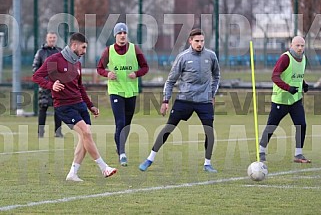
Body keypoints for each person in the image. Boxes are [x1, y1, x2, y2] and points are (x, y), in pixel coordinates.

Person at [32, 32, 117, 181]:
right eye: (83, 48)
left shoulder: (77, 62)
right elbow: (36, 76)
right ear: (74, 45)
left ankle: (72, 173)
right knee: (86, 133)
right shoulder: (55, 60)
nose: (85, 51)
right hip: (64, 106)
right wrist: (51, 85)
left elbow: (80, 87)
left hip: (80, 105)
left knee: (84, 138)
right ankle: (104, 168)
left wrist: (90, 105)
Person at [139, 28, 220, 172]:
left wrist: (212, 94)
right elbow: (170, 81)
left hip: (204, 101)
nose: (199, 44)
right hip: (184, 100)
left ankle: (207, 163)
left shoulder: (211, 56)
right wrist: (165, 101)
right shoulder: (183, 57)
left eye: (202, 41)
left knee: (209, 131)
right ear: (190, 41)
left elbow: (217, 76)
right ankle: (149, 159)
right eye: (196, 41)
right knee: (168, 128)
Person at [97, 23, 149, 166]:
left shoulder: (135, 49)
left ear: (127, 35)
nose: (122, 35)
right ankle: (122, 153)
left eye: (124, 32)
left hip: (131, 91)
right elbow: (99, 68)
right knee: (120, 122)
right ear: (115, 36)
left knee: (126, 124)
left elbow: (145, 67)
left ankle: (119, 146)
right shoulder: (109, 51)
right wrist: (107, 74)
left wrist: (136, 73)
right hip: (116, 91)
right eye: (119, 33)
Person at [259, 36, 311, 163]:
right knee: (271, 126)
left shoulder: (303, 58)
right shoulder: (285, 58)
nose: (300, 48)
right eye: (297, 45)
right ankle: (261, 150)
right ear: (291, 45)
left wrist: (303, 83)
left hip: (295, 99)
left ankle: (298, 155)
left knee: (301, 125)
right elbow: (274, 76)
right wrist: (288, 88)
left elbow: (296, 75)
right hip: (280, 100)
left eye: (302, 46)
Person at [32, 32, 63, 138]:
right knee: (43, 108)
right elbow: (35, 68)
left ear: (56, 39)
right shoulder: (40, 52)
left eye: (54, 37)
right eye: (50, 37)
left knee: (58, 108)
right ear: (46, 38)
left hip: (58, 85)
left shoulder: (60, 51)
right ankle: (40, 132)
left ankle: (58, 132)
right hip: (45, 85)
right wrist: (44, 80)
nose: (52, 39)